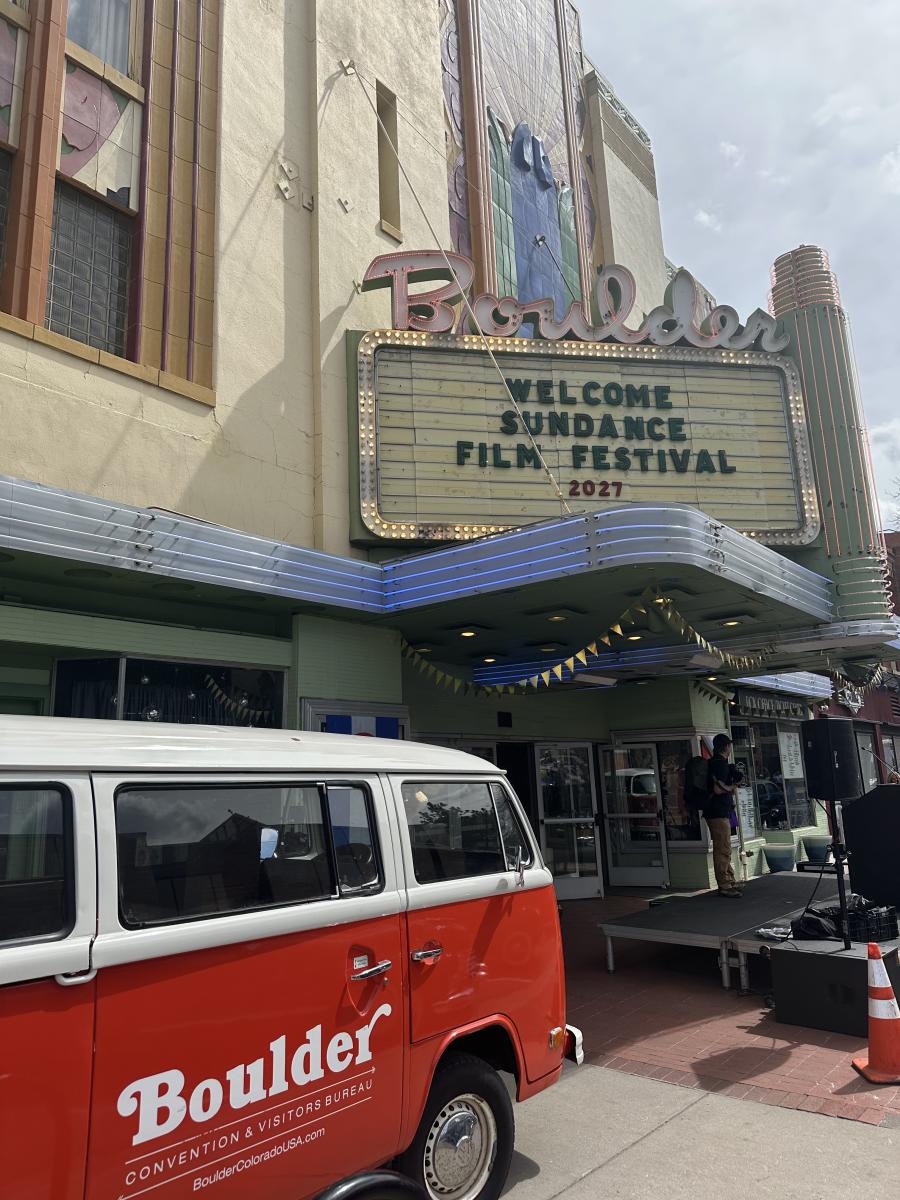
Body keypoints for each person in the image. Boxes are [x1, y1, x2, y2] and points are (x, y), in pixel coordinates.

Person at [706, 733, 741, 898]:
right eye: (729, 745)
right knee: (722, 848)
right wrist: (733, 787)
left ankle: (730, 879)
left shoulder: (715, 763)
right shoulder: (720, 765)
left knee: (724, 847)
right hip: (718, 811)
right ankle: (725, 884)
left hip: (718, 811)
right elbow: (717, 789)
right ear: (726, 747)